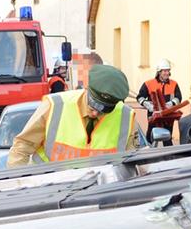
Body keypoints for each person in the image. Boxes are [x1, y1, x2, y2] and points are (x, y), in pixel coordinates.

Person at [8, 62, 139, 166]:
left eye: (104, 110)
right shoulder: (55, 105)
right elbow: (23, 146)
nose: (95, 113)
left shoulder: (126, 117)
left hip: (98, 192)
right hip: (49, 189)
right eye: (93, 105)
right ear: (87, 89)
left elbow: (130, 161)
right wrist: (20, 186)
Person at [137, 59, 184, 144]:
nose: (167, 73)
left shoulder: (174, 84)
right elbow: (140, 97)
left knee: (167, 139)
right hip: (153, 117)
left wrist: (170, 104)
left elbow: (178, 98)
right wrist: (149, 105)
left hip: (168, 117)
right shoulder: (148, 84)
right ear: (159, 72)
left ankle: (169, 157)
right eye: (164, 71)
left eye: (168, 71)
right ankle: (148, 156)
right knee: (150, 138)